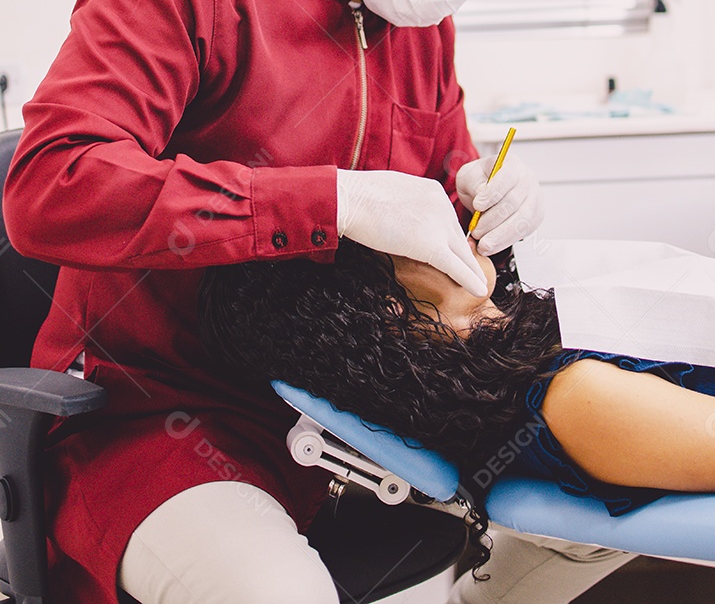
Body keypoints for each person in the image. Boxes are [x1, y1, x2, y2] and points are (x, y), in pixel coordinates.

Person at [3, 0, 594, 604]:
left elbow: (435, 202)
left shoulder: (421, 25)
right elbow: (53, 185)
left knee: (588, 514)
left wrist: (483, 201)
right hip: (157, 418)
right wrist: (331, 202)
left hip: (355, 419)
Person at [199, 238, 715, 602]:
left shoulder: (529, 336)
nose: (441, 219)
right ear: (390, 311)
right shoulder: (578, 398)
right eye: (398, 239)